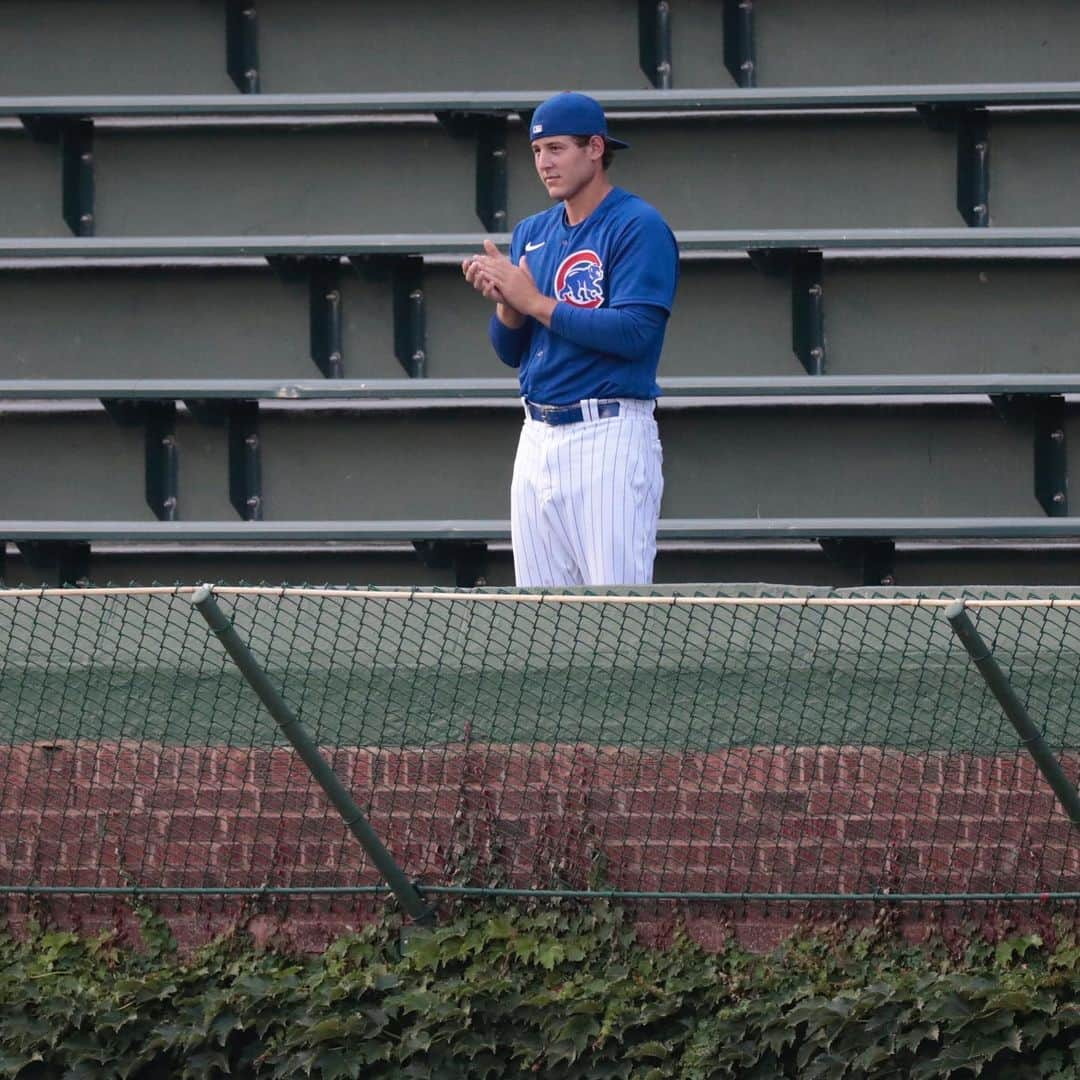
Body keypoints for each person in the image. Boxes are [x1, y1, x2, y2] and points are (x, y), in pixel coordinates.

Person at [462, 91, 679, 587]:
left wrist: (534, 300)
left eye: (557, 149)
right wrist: (506, 300)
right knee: (544, 628)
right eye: (537, 151)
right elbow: (508, 350)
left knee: (616, 616)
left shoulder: (637, 225)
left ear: (595, 149)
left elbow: (636, 332)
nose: (544, 163)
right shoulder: (531, 231)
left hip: (608, 430)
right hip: (536, 433)